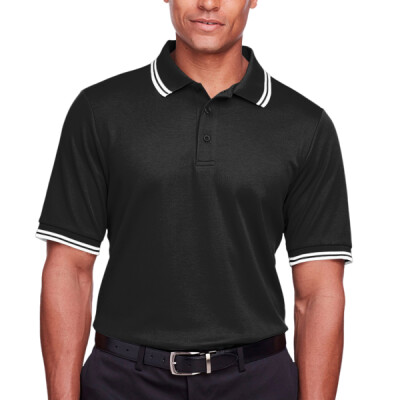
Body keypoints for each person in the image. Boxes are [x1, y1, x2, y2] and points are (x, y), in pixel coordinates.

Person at [35, 0, 353, 399]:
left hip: (257, 382)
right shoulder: (100, 111)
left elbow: (319, 292)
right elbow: (69, 269)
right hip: (123, 381)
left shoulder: (305, 126)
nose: (208, 3)